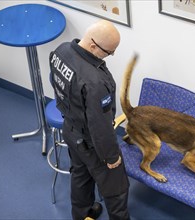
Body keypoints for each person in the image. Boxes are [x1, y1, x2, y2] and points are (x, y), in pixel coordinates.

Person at [49, 20, 130, 220]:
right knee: (116, 188)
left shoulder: (61, 51)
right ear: (93, 45)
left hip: (70, 129)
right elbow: (100, 127)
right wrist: (111, 158)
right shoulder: (95, 82)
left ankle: (82, 214)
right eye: (109, 52)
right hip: (91, 142)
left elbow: (55, 81)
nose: (111, 55)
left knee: (80, 175)